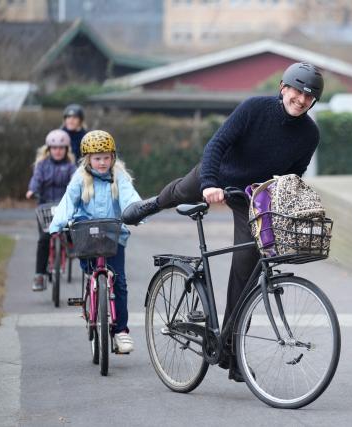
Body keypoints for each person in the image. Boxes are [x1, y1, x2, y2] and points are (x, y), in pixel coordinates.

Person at [121, 62, 324, 380]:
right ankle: (151, 205)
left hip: (251, 197)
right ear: (284, 88)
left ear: (313, 102)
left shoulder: (309, 134)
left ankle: (230, 353)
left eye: (308, 97)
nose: (300, 100)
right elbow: (217, 144)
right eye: (296, 91)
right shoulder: (255, 109)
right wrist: (209, 184)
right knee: (181, 191)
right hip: (218, 177)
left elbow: (292, 177)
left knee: (247, 265)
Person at [49, 130, 141, 353]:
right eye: (97, 158)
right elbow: (67, 203)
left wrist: (139, 213)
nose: (102, 162)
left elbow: (131, 199)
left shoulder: (119, 178)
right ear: (88, 159)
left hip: (113, 234)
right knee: (91, 270)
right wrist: (56, 225)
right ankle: (93, 291)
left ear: (113, 158)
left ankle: (121, 331)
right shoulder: (80, 179)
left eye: (106, 157)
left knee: (119, 282)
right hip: (87, 235)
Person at [26, 129, 77, 291]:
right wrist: (32, 190)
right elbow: (36, 180)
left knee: (71, 229)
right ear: (48, 149)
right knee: (43, 239)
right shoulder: (42, 165)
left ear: (66, 149)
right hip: (45, 207)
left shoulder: (70, 167)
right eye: (54, 148)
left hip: (64, 206)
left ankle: (70, 247)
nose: (58, 151)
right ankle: (39, 275)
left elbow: (76, 181)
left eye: (61, 148)